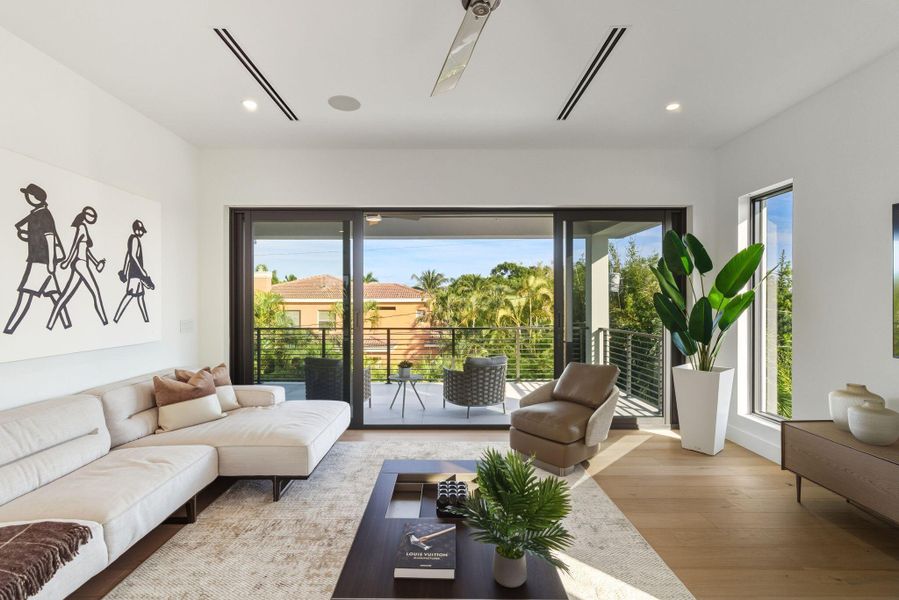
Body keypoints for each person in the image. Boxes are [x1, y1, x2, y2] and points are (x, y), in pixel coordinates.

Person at [4, 183, 70, 334]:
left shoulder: (44, 215)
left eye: (28, 195)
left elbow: (50, 238)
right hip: (37, 259)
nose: (27, 197)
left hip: (41, 262)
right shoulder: (36, 214)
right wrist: (27, 236)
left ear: (35, 197)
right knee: (54, 294)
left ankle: (9, 329)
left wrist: (51, 263)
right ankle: (67, 323)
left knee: (25, 292)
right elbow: (39, 237)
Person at [47, 206, 108, 329]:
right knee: (96, 293)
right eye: (91, 215)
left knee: (65, 296)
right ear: (85, 215)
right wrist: (67, 261)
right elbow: (75, 245)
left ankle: (50, 323)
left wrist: (96, 263)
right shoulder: (82, 227)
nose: (93, 217)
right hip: (80, 263)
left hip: (81, 263)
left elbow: (85, 250)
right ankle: (105, 322)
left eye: (94, 215)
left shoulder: (83, 228)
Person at [113, 219, 155, 323]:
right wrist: (143, 272)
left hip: (135, 274)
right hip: (136, 274)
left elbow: (128, 256)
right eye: (140, 230)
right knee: (130, 295)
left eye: (142, 231)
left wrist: (125, 271)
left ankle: (146, 320)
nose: (141, 233)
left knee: (140, 297)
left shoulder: (132, 239)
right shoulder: (135, 239)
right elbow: (132, 256)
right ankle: (116, 319)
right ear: (136, 230)